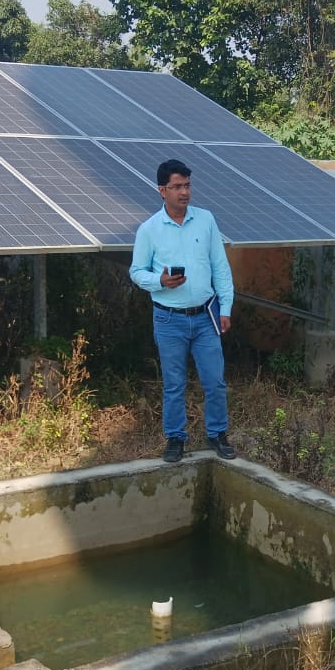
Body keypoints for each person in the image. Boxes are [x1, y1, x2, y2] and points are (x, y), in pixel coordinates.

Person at [129, 158, 236, 463]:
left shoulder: (206, 220)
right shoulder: (149, 229)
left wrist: (226, 307)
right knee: (174, 384)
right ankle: (176, 438)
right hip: (169, 318)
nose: (184, 192)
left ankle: (217, 434)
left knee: (215, 381)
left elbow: (220, 266)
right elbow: (136, 271)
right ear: (162, 190)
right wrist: (159, 281)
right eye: (177, 186)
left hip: (206, 316)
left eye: (187, 185)